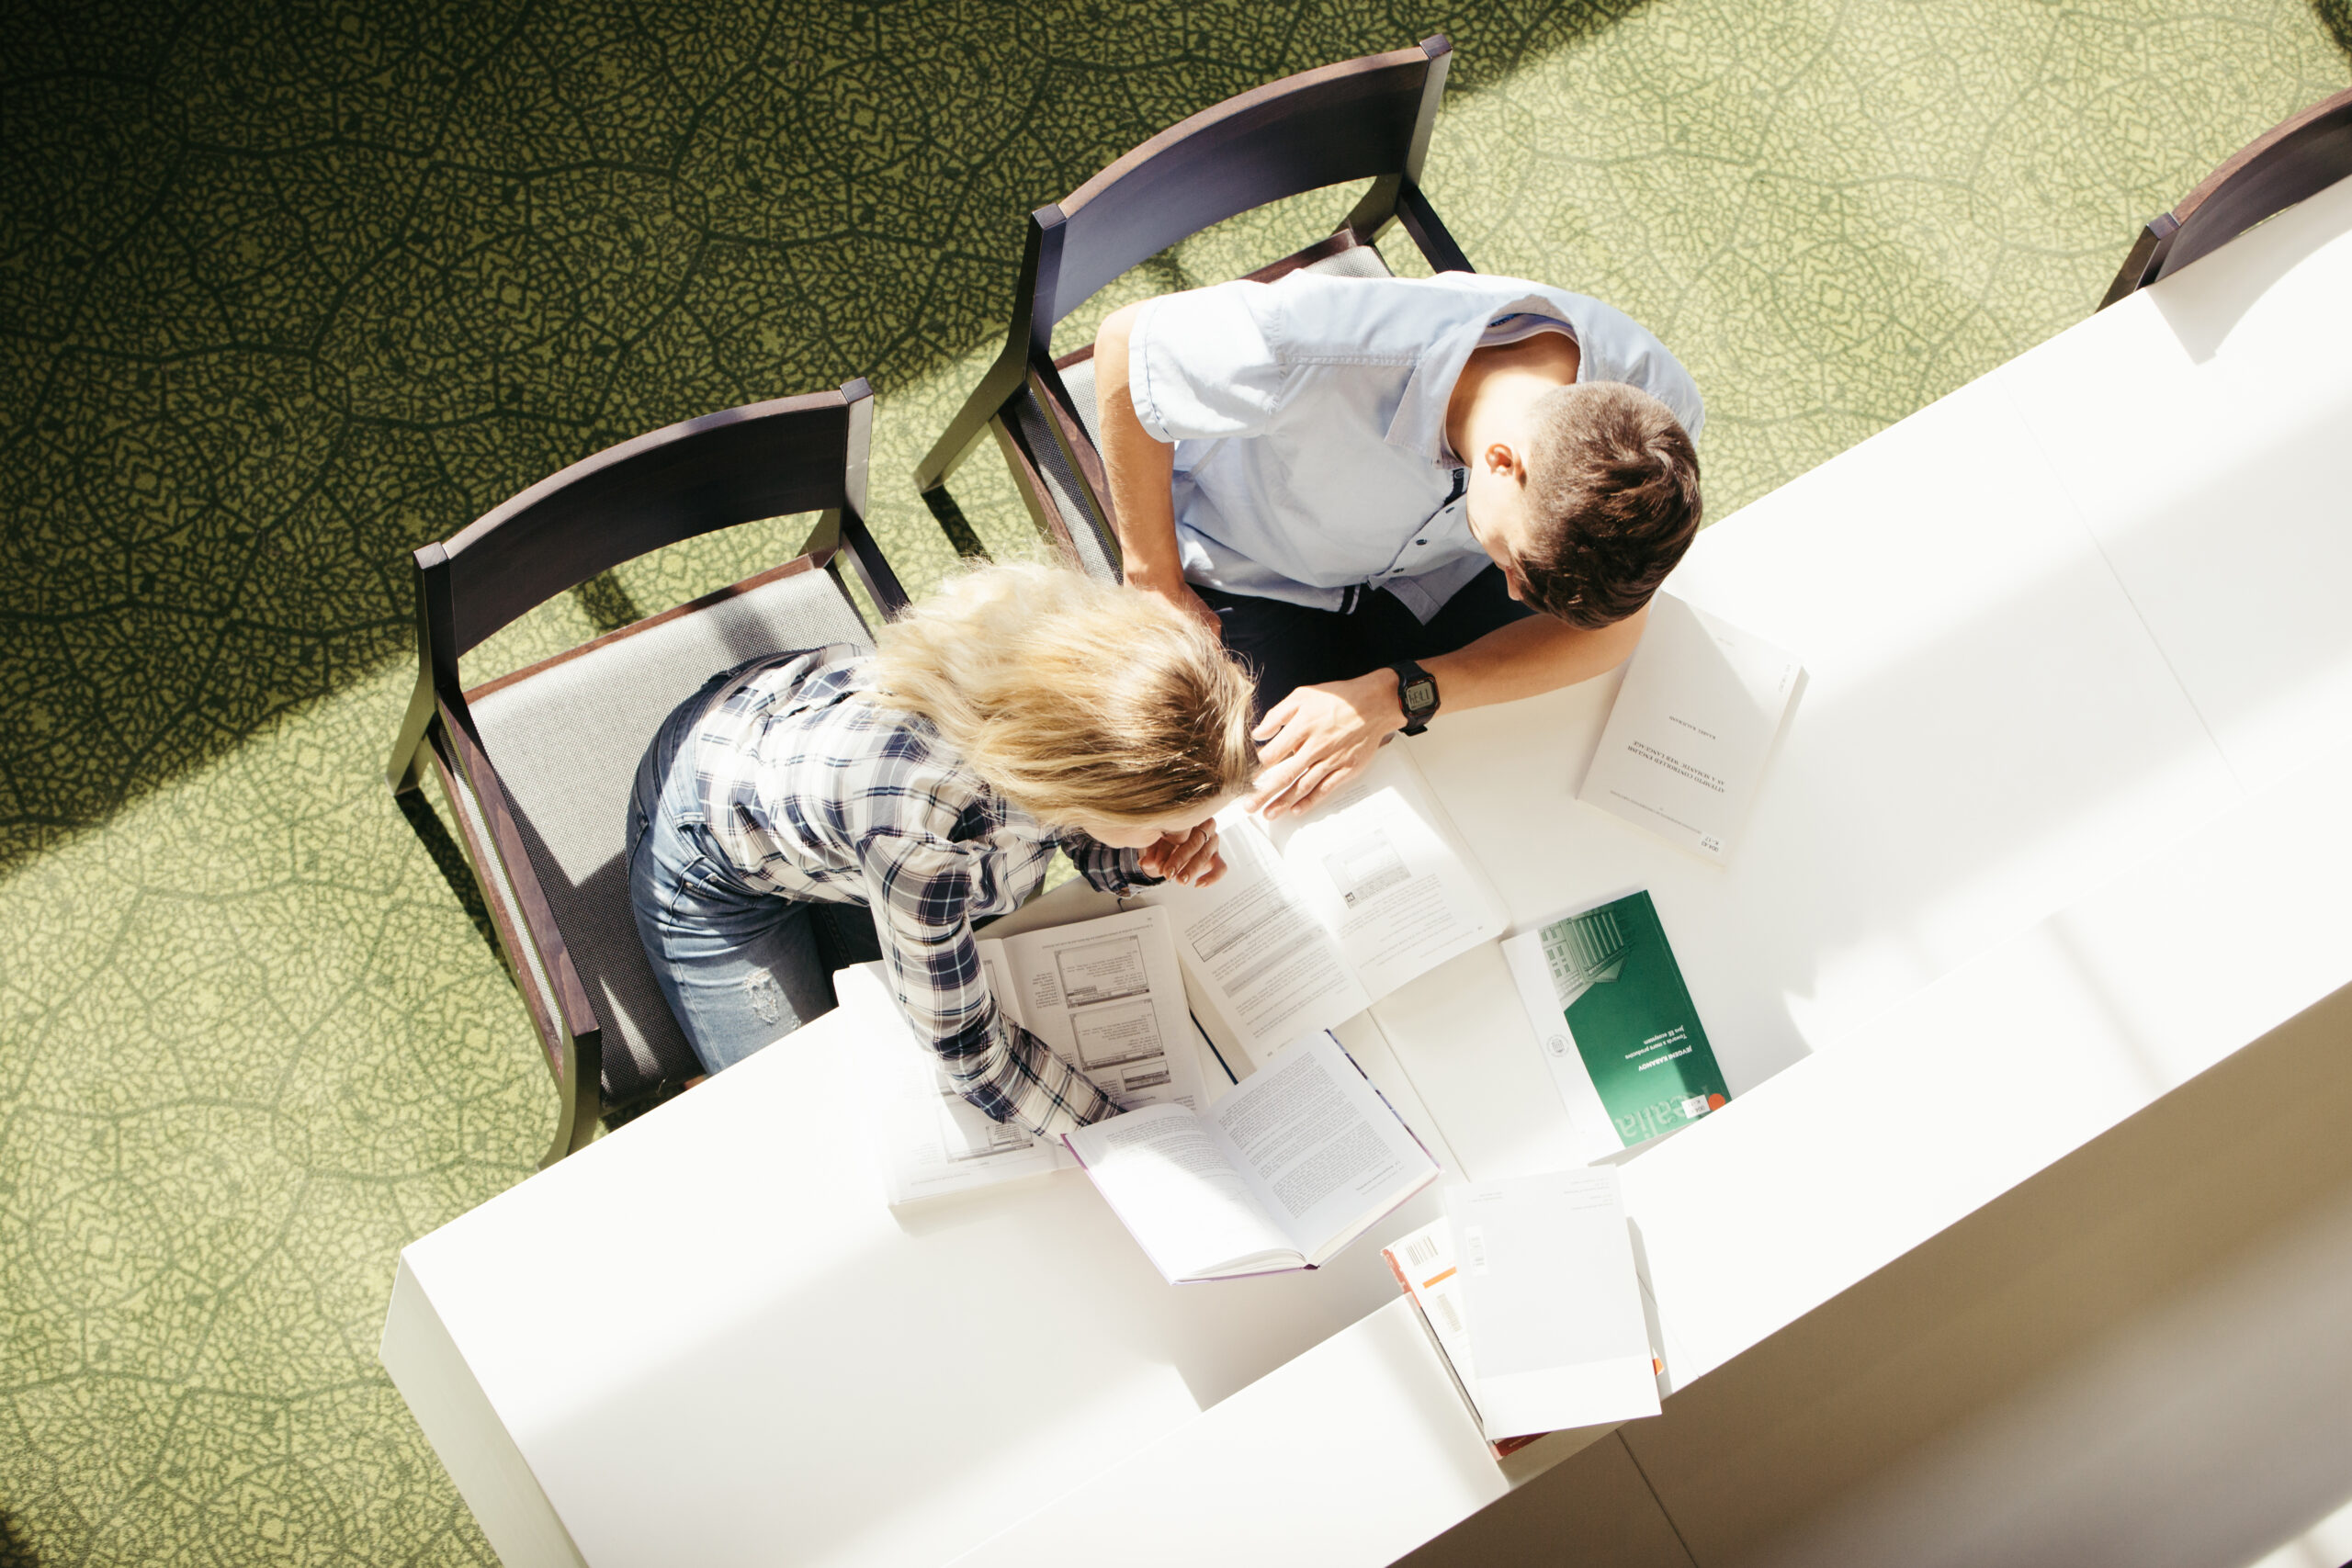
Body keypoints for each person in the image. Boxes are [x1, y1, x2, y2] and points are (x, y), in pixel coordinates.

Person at [626, 561, 1255, 1137]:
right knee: (806, 1122)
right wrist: (1131, 1136)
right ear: (1078, 786)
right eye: (1165, 824)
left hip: (787, 728)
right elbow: (972, 1052)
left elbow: (1078, 831)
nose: (1179, 837)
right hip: (707, 856)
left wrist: (1144, 857)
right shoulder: (919, 826)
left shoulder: (1057, 710)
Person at [1092, 268, 1705, 818]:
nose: (1516, 590)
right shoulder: (1314, 346)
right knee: (1223, 791)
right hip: (1251, 562)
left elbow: (1612, 630)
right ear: (1501, 461)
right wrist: (1153, 581)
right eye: (1519, 567)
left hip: (1426, 571)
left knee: (1516, 765)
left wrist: (1400, 696)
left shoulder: (1655, 418)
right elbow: (1124, 345)